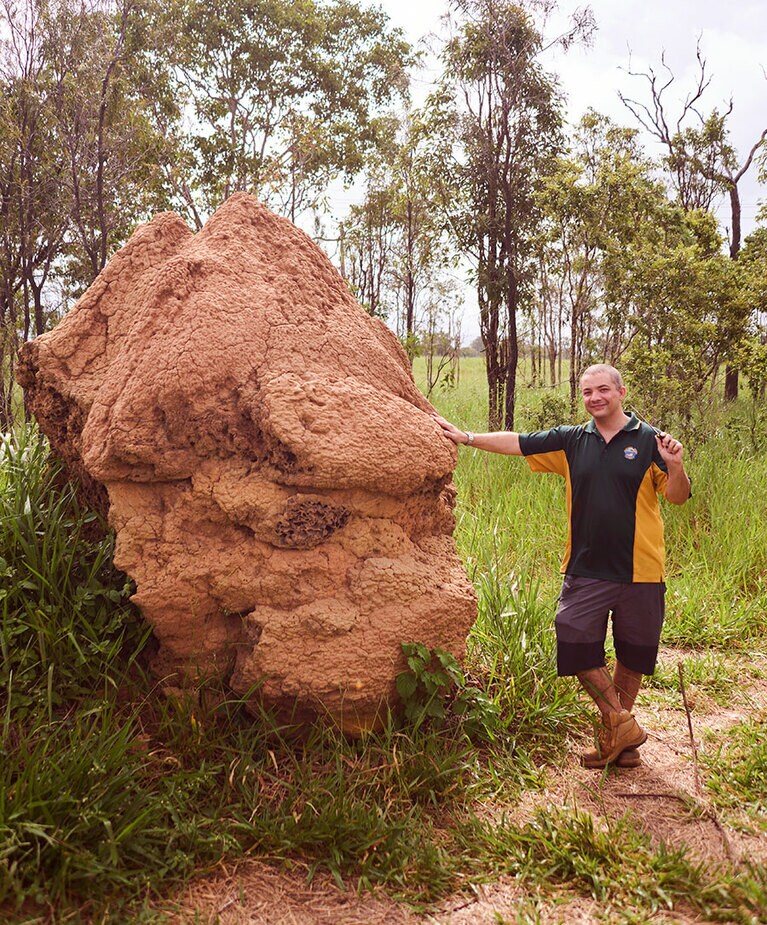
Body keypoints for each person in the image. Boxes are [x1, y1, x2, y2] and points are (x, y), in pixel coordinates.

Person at [434, 364, 691, 769]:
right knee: (572, 633)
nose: (595, 398)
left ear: (621, 391)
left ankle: (619, 744)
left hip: (642, 568)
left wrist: (675, 466)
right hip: (586, 565)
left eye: (603, 390)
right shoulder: (571, 440)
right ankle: (620, 723)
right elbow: (518, 442)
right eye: (588, 392)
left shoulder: (650, 442)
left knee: (632, 656)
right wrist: (466, 438)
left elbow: (677, 497)